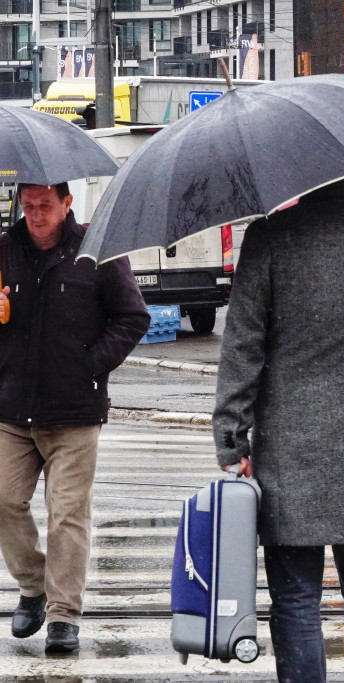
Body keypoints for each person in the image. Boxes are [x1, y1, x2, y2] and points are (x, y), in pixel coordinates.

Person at [213, 177, 344, 682]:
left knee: (295, 597)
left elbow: (243, 346)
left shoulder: (270, 236)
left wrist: (231, 438)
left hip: (291, 445)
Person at [0, 182, 149, 653]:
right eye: (28, 206)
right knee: (3, 499)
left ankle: (64, 615)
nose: (35, 215)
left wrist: (90, 365)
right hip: (11, 407)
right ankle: (34, 586)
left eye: (45, 206)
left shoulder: (97, 251)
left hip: (74, 412)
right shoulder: (4, 251)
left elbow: (133, 317)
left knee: (67, 514)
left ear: (67, 204)